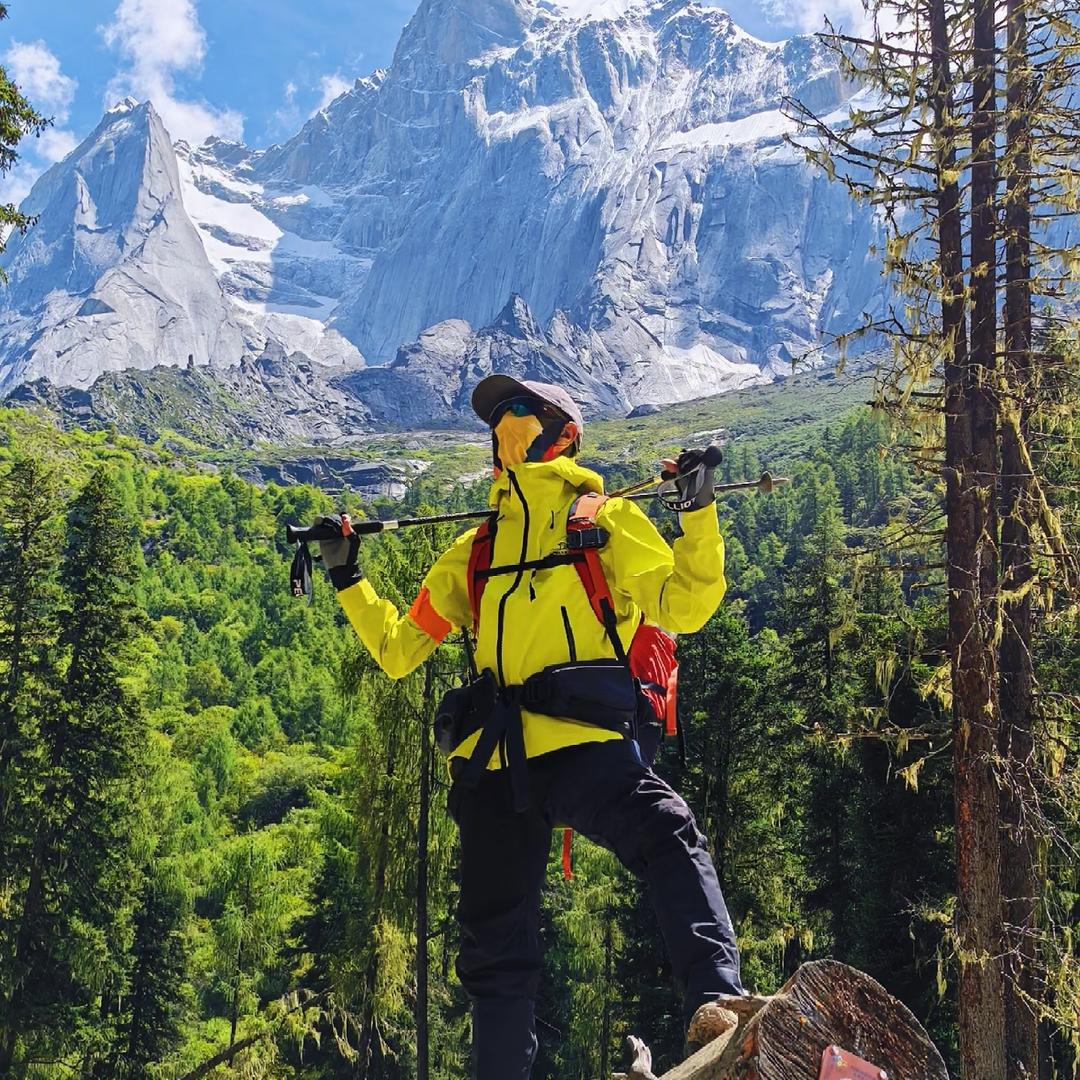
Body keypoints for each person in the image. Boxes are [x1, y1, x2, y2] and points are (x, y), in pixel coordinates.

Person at [319, 375, 743, 1078]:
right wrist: (347, 578)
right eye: (499, 416)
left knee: (668, 833)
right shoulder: (475, 550)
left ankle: (718, 1006)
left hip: (584, 746)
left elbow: (686, 606)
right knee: (495, 950)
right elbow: (398, 650)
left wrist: (698, 513)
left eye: (522, 411)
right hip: (494, 765)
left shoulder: (605, 520)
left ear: (565, 433)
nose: (506, 424)